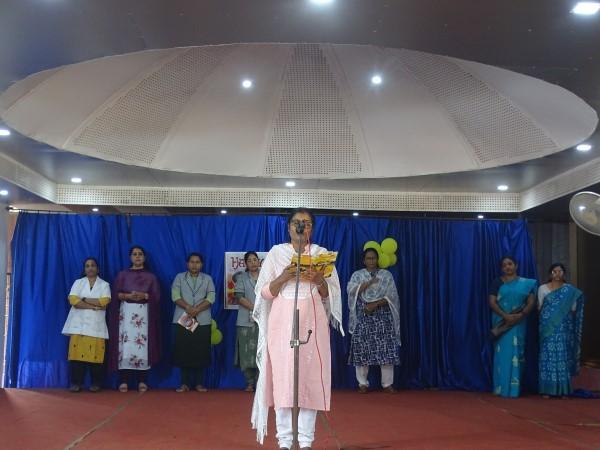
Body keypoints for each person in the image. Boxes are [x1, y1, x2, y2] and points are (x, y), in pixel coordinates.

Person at [251, 208, 343, 450]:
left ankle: (305, 441)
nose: (301, 227)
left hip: (313, 320)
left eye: (307, 223)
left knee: (310, 379)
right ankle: (284, 440)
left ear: (312, 228)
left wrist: (319, 280)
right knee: (283, 380)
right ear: (289, 227)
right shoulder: (277, 252)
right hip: (282, 322)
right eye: (297, 222)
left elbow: (331, 295)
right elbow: (264, 293)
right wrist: (283, 276)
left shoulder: (321, 253)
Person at [108, 246, 161, 392]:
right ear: (130, 257)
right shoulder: (122, 275)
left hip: (143, 315)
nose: (137, 256)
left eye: (140, 254)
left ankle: (142, 380)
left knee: (142, 345)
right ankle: (123, 380)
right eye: (134, 254)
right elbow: (115, 294)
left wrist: (144, 296)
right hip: (126, 315)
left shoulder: (151, 277)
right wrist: (127, 296)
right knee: (125, 346)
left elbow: (157, 296)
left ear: (144, 257)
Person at [347, 248, 401, 393]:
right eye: (368, 258)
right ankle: (362, 384)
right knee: (362, 348)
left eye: (374, 258)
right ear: (364, 261)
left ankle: (387, 384)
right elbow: (351, 291)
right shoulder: (358, 275)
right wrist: (369, 283)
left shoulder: (385, 275)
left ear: (378, 260)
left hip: (383, 316)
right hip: (363, 315)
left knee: (386, 348)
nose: (371, 261)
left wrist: (375, 304)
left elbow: (392, 296)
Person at [488, 256, 537, 398]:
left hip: (519, 322)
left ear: (516, 265)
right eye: (504, 265)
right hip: (502, 323)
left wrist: (521, 315)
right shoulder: (497, 282)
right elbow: (492, 302)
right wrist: (505, 316)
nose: (507, 267)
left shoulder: (526, 283)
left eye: (510, 264)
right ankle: (501, 388)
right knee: (503, 355)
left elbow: (531, 301)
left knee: (517, 353)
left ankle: (514, 390)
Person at [61, 258, 111, 392]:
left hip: (96, 326)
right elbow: (73, 300)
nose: (90, 268)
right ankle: (76, 383)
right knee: (76, 357)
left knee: (96, 356)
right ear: (84, 269)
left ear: (98, 269)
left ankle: (96, 383)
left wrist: (83, 299)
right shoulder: (78, 283)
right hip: (79, 325)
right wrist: (93, 306)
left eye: (93, 265)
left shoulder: (104, 285)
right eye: (87, 266)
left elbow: (104, 301)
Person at [538, 263, 585, 398]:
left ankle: (564, 390)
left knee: (562, 357)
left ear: (564, 273)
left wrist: (560, 313)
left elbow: (573, 309)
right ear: (550, 274)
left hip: (564, 328)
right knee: (547, 357)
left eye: (560, 271)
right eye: (554, 271)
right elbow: (539, 308)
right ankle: (547, 390)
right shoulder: (542, 288)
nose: (557, 274)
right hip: (547, 328)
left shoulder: (569, 290)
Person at [171, 252, 215, 393]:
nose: (194, 265)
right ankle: (184, 383)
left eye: (197, 262)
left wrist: (197, 309)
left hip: (202, 319)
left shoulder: (207, 278)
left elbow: (211, 297)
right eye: (192, 262)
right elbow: (175, 296)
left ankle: (199, 383)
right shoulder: (179, 277)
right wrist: (188, 308)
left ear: (201, 264)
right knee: (184, 349)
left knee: (200, 350)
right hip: (184, 317)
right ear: (187, 264)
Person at [234, 251, 261, 392]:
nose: (253, 263)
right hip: (245, 320)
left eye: (255, 259)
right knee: (246, 352)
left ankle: (260, 383)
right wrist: (255, 308)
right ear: (245, 263)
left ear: (259, 261)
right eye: (249, 261)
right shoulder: (241, 278)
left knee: (261, 351)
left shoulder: (266, 276)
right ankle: (249, 383)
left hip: (263, 319)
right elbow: (239, 297)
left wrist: (260, 311)